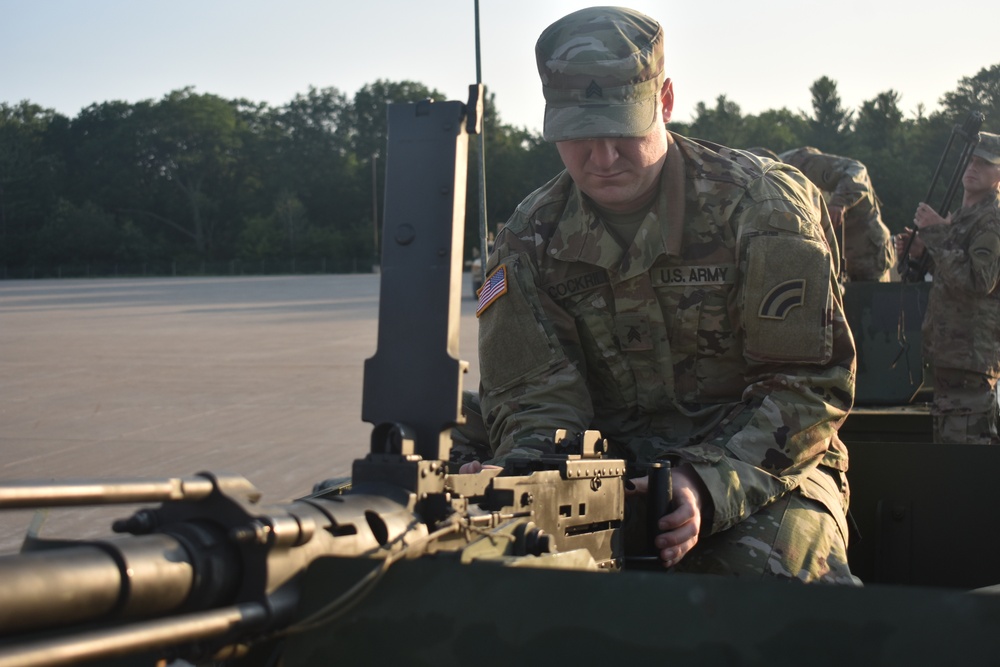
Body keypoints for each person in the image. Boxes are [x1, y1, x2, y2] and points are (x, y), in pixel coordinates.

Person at [463, 6, 858, 584]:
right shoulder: (526, 241)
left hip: (764, 467)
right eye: (577, 136)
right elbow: (533, 401)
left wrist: (706, 483)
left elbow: (806, 389)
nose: (601, 159)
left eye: (622, 129)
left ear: (665, 102)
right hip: (602, 468)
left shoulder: (762, 208)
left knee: (763, 586)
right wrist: (528, 480)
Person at [895, 132, 1000, 444]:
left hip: (971, 361)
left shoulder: (991, 221)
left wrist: (936, 233)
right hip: (950, 360)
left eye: (985, 163)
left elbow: (979, 281)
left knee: (965, 468)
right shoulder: (964, 219)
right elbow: (953, 278)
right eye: (971, 160)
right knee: (950, 463)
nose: (973, 167)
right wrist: (922, 256)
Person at [778, 146, 896, 282]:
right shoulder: (770, 178)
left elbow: (857, 170)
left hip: (868, 251)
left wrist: (838, 202)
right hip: (838, 255)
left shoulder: (801, 163)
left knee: (873, 299)